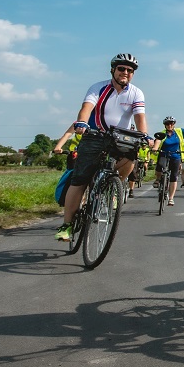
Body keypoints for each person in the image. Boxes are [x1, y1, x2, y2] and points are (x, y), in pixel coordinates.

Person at [55, 53, 152, 241]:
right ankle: (66, 225)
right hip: (94, 136)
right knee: (80, 180)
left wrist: (145, 135)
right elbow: (86, 108)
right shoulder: (98, 88)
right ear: (113, 70)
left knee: (130, 159)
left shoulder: (136, 93)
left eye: (130, 71)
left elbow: (140, 116)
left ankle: (114, 186)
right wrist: (82, 123)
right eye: (121, 69)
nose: (125, 73)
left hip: (120, 139)